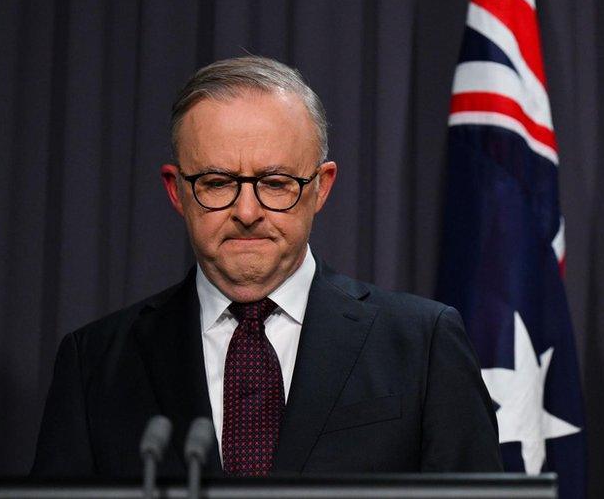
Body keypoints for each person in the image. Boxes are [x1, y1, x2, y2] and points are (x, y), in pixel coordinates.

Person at [31, 56, 502, 477]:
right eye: (217, 183)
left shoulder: (422, 344)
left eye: (275, 183)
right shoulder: (95, 362)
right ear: (176, 190)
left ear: (321, 187)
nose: (248, 212)